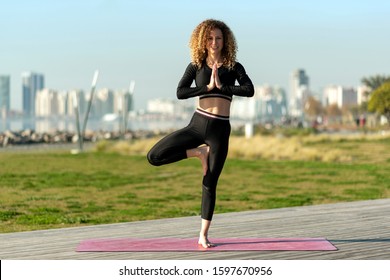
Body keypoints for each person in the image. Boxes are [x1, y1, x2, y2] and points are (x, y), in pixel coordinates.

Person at [147, 19, 254, 248]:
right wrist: (206, 88)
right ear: (203, 41)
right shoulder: (195, 65)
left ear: (225, 41)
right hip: (197, 124)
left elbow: (249, 89)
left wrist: (222, 87)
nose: (214, 42)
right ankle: (197, 153)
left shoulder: (234, 66)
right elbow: (180, 92)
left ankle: (203, 235)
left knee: (209, 183)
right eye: (210, 38)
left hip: (220, 130)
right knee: (154, 157)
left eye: (218, 38)